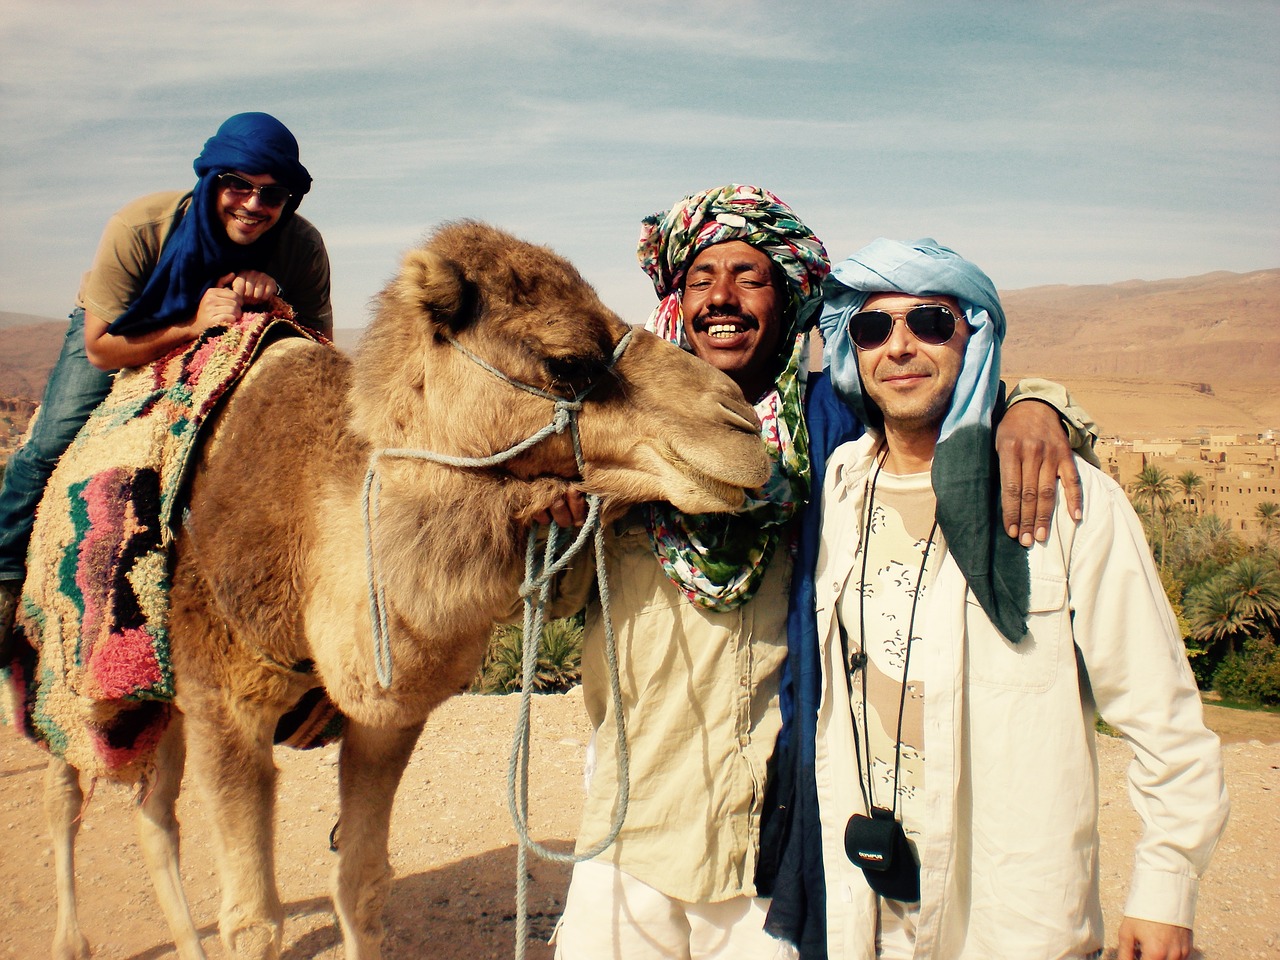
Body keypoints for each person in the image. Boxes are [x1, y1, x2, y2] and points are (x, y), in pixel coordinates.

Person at [544, 186, 1095, 960]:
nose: (723, 300)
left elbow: (950, 400)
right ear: (677, 297)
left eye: (749, 276)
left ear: (787, 296)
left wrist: (1039, 407)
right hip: (631, 826)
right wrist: (555, 523)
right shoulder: (612, 431)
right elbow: (547, 594)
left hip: (775, 837)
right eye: (702, 278)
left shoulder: (831, 425)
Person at [769, 238, 1228, 959]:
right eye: (872, 328)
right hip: (866, 900)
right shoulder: (841, 485)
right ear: (850, 350)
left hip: (1008, 909)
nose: (900, 347)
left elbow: (1160, 710)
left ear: (973, 337)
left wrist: (1166, 885)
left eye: (930, 322)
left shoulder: (1068, 500)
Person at [0, 112, 332, 651]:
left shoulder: (299, 245)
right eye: (238, 185)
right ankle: (7, 577)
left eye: (272, 195)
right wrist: (193, 325)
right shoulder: (142, 225)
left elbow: (320, 347)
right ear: (211, 179)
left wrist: (278, 305)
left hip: (232, 337)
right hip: (130, 325)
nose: (253, 204)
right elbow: (101, 348)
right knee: (50, 443)